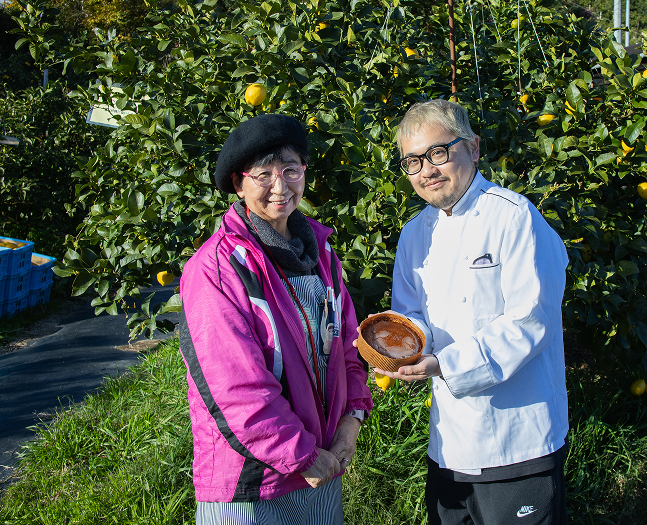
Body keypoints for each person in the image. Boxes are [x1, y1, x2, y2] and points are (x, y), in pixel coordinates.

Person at [378, 99, 569, 524]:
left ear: (474, 149)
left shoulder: (515, 218)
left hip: (519, 440)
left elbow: (529, 322)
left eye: (438, 153)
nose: (427, 170)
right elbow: (411, 317)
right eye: (412, 161)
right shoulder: (414, 236)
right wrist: (399, 347)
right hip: (450, 444)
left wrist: (442, 365)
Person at [179, 113, 372, 525]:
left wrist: (352, 420)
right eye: (263, 174)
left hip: (320, 469)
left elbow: (347, 347)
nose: (280, 187)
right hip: (255, 481)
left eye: (290, 170)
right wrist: (298, 454)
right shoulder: (218, 268)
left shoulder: (321, 255)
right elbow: (234, 386)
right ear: (239, 183)